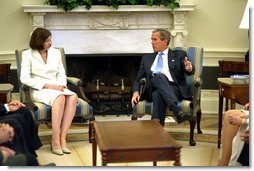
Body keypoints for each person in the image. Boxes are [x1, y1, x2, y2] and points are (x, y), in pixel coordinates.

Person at [20, 27, 78, 155]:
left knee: (73, 97)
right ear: (39, 41)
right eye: (47, 40)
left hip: (57, 86)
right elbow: (24, 78)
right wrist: (48, 86)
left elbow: (62, 73)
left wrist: (61, 85)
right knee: (60, 98)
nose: (50, 43)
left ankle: (63, 138)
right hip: (39, 89)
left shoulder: (55, 52)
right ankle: (55, 138)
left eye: (51, 39)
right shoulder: (27, 54)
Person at [131, 28, 194, 126]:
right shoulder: (146, 58)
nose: (152, 42)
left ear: (165, 41)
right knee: (158, 76)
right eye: (151, 39)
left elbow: (190, 70)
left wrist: (189, 68)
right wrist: (135, 92)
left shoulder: (179, 55)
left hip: (173, 88)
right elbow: (138, 79)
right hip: (151, 88)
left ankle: (156, 131)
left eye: (155, 39)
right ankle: (177, 111)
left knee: (158, 95)